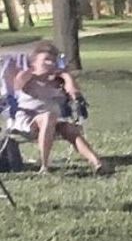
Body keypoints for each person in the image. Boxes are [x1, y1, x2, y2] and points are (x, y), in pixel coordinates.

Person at [13, 41, 110, 175]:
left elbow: (75, 94)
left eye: (53, 61)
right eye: (46, 60)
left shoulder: (57, 82)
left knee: (69, 128)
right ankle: (44, 166)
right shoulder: (29, 78)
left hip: (53, 121)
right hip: (27, 120)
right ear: (34, 62)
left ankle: (97, 163)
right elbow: (18, 83)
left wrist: (66, 75)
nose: (50, 63)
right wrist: (32, 70)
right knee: (48, 116)